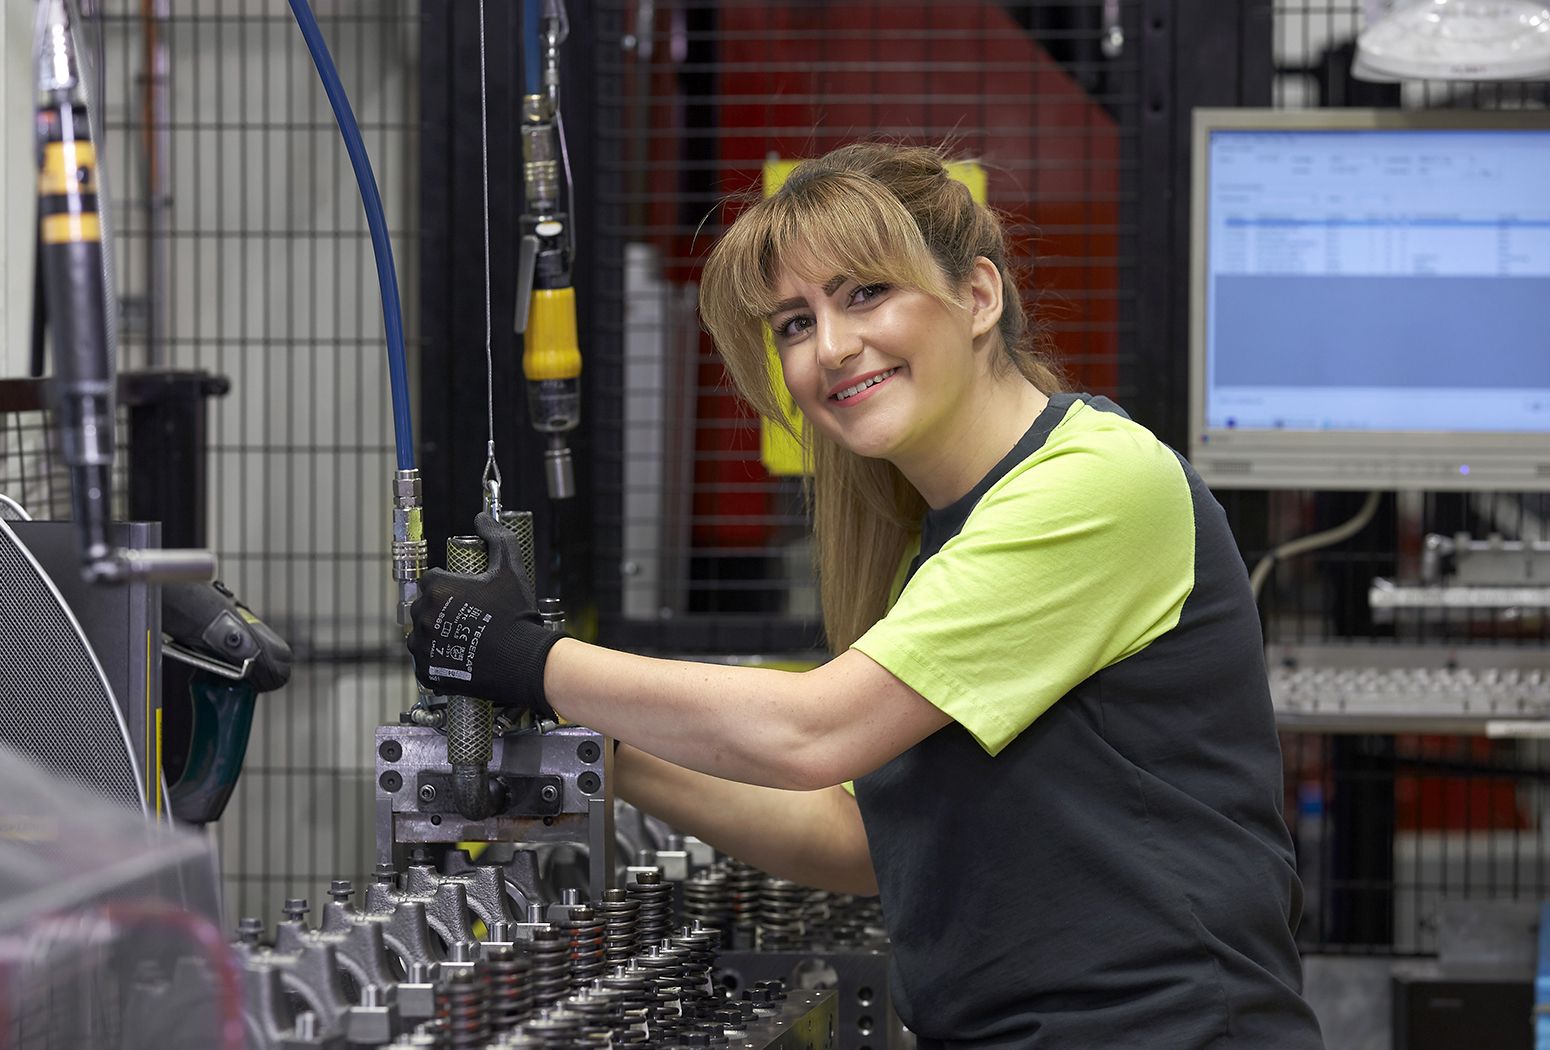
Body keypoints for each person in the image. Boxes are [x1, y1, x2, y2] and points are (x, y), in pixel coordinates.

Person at [409, 142, 1325, 1049]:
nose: (833, 348)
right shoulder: (932, 541)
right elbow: (853, 834)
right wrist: (602, 758)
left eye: (864, 294)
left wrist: (526, 660)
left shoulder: (1097, 484)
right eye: (794, 323)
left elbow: (814, 730)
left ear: (977, 295)